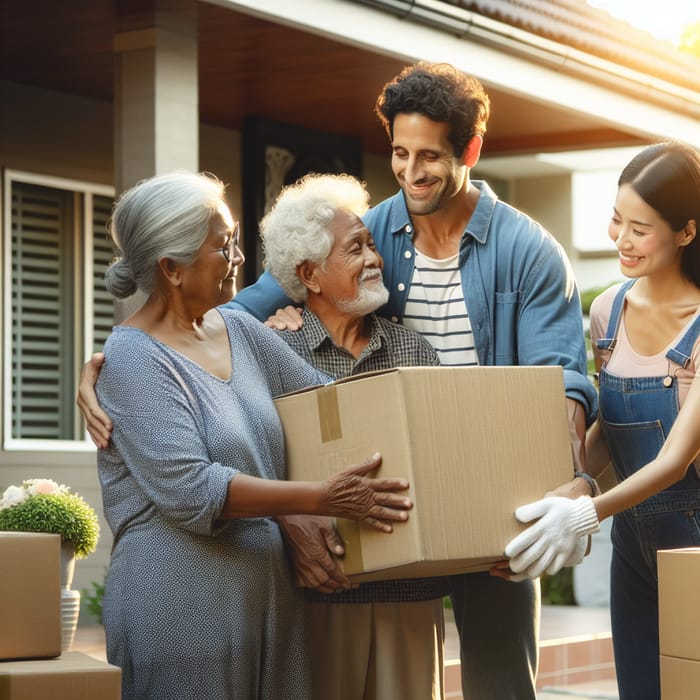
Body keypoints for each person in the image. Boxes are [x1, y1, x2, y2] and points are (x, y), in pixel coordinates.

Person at [229, 62, 598, 699]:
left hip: (495, 497)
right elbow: (233, 314)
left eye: (430, 156)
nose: (410, 172)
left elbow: (559, 387)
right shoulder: (370, 233)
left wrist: (563, 498)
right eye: (399, 153)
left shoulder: (529, 252)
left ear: (471, 150)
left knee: (502, 687)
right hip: (397, 495)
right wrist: (126, 355)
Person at [79, 172, 449, 699]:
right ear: (172, 268)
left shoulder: (240, 331)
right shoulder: (133, 363)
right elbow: (195, 490)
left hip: (272, 605)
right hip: (181, 612)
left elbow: (331, 399)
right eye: (223, 246)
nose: (238, 259)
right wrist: (319, 497)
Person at [503, 141, 700, 700]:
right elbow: (613, 432)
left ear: (687, 232)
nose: (622, 240)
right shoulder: (608, 310)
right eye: (618, 220)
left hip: (694, 544)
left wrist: (583, 512)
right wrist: (571, 487)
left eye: (642, 228)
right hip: (632, 545)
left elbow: (673, 459)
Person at [250, 172, 449, 700]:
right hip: (319, 592)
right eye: (354, 248)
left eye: (372, 245)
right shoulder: (276, 350)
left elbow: (443, 462)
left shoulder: (414, 351)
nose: (374, 259)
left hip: (411, 592)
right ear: (310, 275)